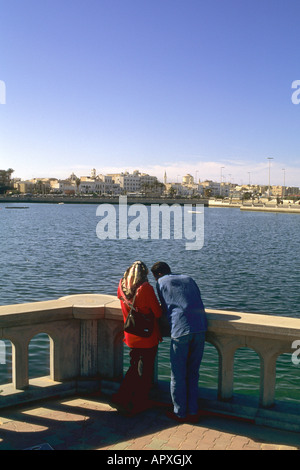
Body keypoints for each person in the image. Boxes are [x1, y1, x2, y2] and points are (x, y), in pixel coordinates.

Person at [151, 261, 207, 423]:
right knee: (193, 373)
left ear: (158, 275)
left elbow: (163, 308)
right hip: (201, 327)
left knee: (178, 374)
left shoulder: (161, 282)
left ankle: (180, 412)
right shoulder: (189, 278)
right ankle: (194, 411)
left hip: (180, 330)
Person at [111, 260, 162, 416]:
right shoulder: (145, 288)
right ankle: (137, 402)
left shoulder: (121, 286)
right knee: (144, 371)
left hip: (131, 334)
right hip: (146, 336)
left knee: (134, 367)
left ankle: (123, 398)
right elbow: (158, 312)